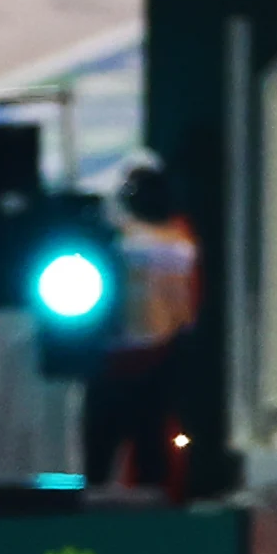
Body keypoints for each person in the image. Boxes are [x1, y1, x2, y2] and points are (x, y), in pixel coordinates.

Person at [80, 155, 200, 494]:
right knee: (148, 460)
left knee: (109, 462)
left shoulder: (141, 243)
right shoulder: (181, 241)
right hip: (150, 364)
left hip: (135, 364)